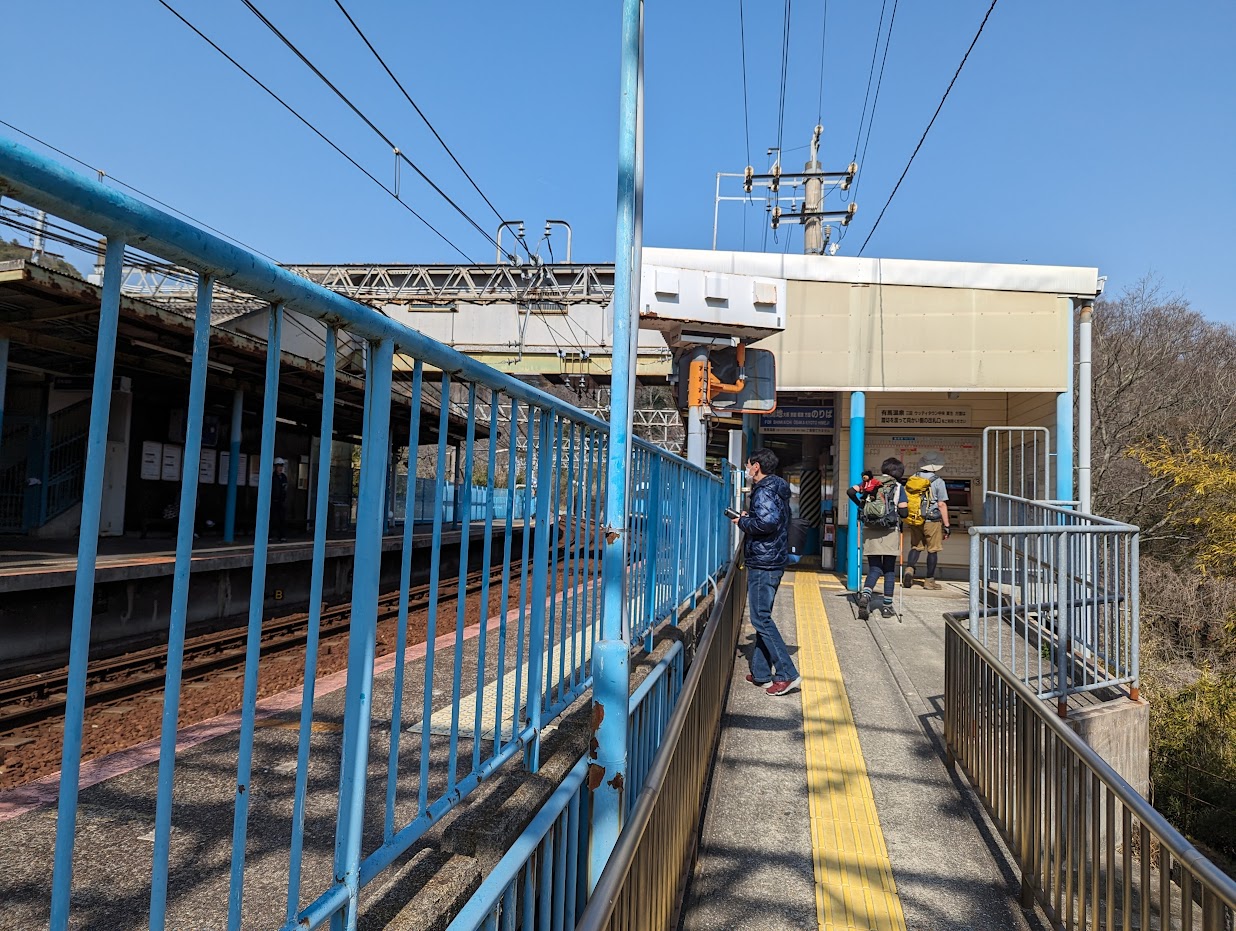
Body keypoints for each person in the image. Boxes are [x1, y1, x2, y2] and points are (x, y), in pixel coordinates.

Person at [731, 448, 801, 696]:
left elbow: (767, 523)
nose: (747, 469)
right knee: (763, 616)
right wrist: (752, 517)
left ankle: (787, 674)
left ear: (757, 466)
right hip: (772, 557)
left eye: (748, 465)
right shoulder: (777, 488)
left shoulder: (765, 490)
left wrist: (743, 522)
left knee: (761, 618)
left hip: (764, 561)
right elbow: (773, 520)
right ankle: (761, 672)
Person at [847, 457, 907, 619]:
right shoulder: (898, 487)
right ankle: (887, 607)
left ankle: (866, 594)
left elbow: (850, 492)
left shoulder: (869, 483)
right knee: (888, 569)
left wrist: (860, 505)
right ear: (899, 472)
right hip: (889, 530)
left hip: (870, 528)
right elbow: (904, 512)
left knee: (874, 567)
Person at [902, 452, 950, 590]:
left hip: (915, 518)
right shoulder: (938, 481)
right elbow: (941, 504)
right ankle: (929, 581)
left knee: (916, 547)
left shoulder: (913, 478)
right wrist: (947, 525)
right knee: (932, 550)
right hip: (932, 520)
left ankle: (909, 570)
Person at [271, 457, 289, 542]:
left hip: (281, 502)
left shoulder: (284, 477)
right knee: (272, 518)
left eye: (281, 466)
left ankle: (282, 535)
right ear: (275, 467)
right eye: (279, 466)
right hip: (273, 501)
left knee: (282, 519)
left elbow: (285, 489)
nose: (280, 468)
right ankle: (270, 535)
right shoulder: (272, 477)